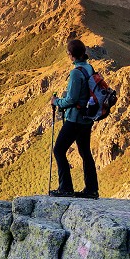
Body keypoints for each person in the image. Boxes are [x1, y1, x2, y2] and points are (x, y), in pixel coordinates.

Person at [50, 36, 99, 199]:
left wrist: (57, 102)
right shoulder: (89, 67)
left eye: (67, 53)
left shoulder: (76, 73)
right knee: (85, 152)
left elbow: (72, 99)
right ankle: (91, 189)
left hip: (75, 119)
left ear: (71, 54)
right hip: (87, 118)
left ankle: (66, 188)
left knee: (59, 150)